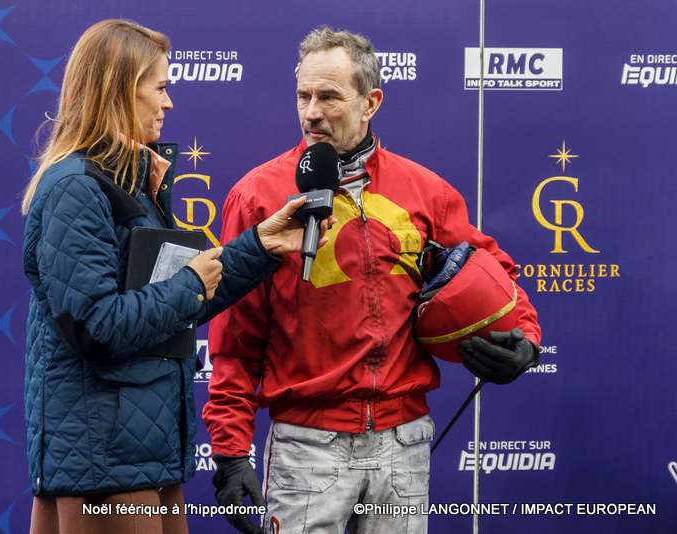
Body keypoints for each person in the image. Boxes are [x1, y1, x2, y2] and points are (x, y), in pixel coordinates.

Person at [202, 27, 541, 534]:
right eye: (303, 96)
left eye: (329, 96)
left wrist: (526, 343)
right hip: (306, 449)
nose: (311, 112)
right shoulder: (258, 196)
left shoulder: (425, 190)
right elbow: (234, 338)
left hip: (404, 445)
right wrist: (230, 452)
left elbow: (495, 273)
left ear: (370, 103)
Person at [20, 19, 333, 534]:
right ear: (120, 91)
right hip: (104, 464)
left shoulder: (127, 182)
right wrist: (188, 284)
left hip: (139, 454)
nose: (169, 103)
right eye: (160, 87)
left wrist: (260, 244)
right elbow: (96, 326)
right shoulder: (76, 188)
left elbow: (170, 302)